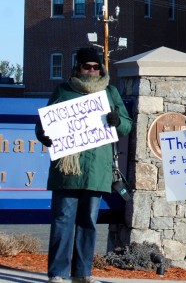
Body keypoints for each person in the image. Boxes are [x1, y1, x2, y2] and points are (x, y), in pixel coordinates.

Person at [35, 47, 132, 283]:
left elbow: (127, 126)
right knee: (62, 220)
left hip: (96, 169)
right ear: (77, 67)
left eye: (95, 67)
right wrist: (44, 136)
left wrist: (117, 121)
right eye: (87, 66)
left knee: (88, 221)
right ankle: (57, 273)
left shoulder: (110, 92)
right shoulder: (63, 91)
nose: (91, 70)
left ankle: (82, 273)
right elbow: (42, 125)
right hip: (66, 170)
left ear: (101, 69)